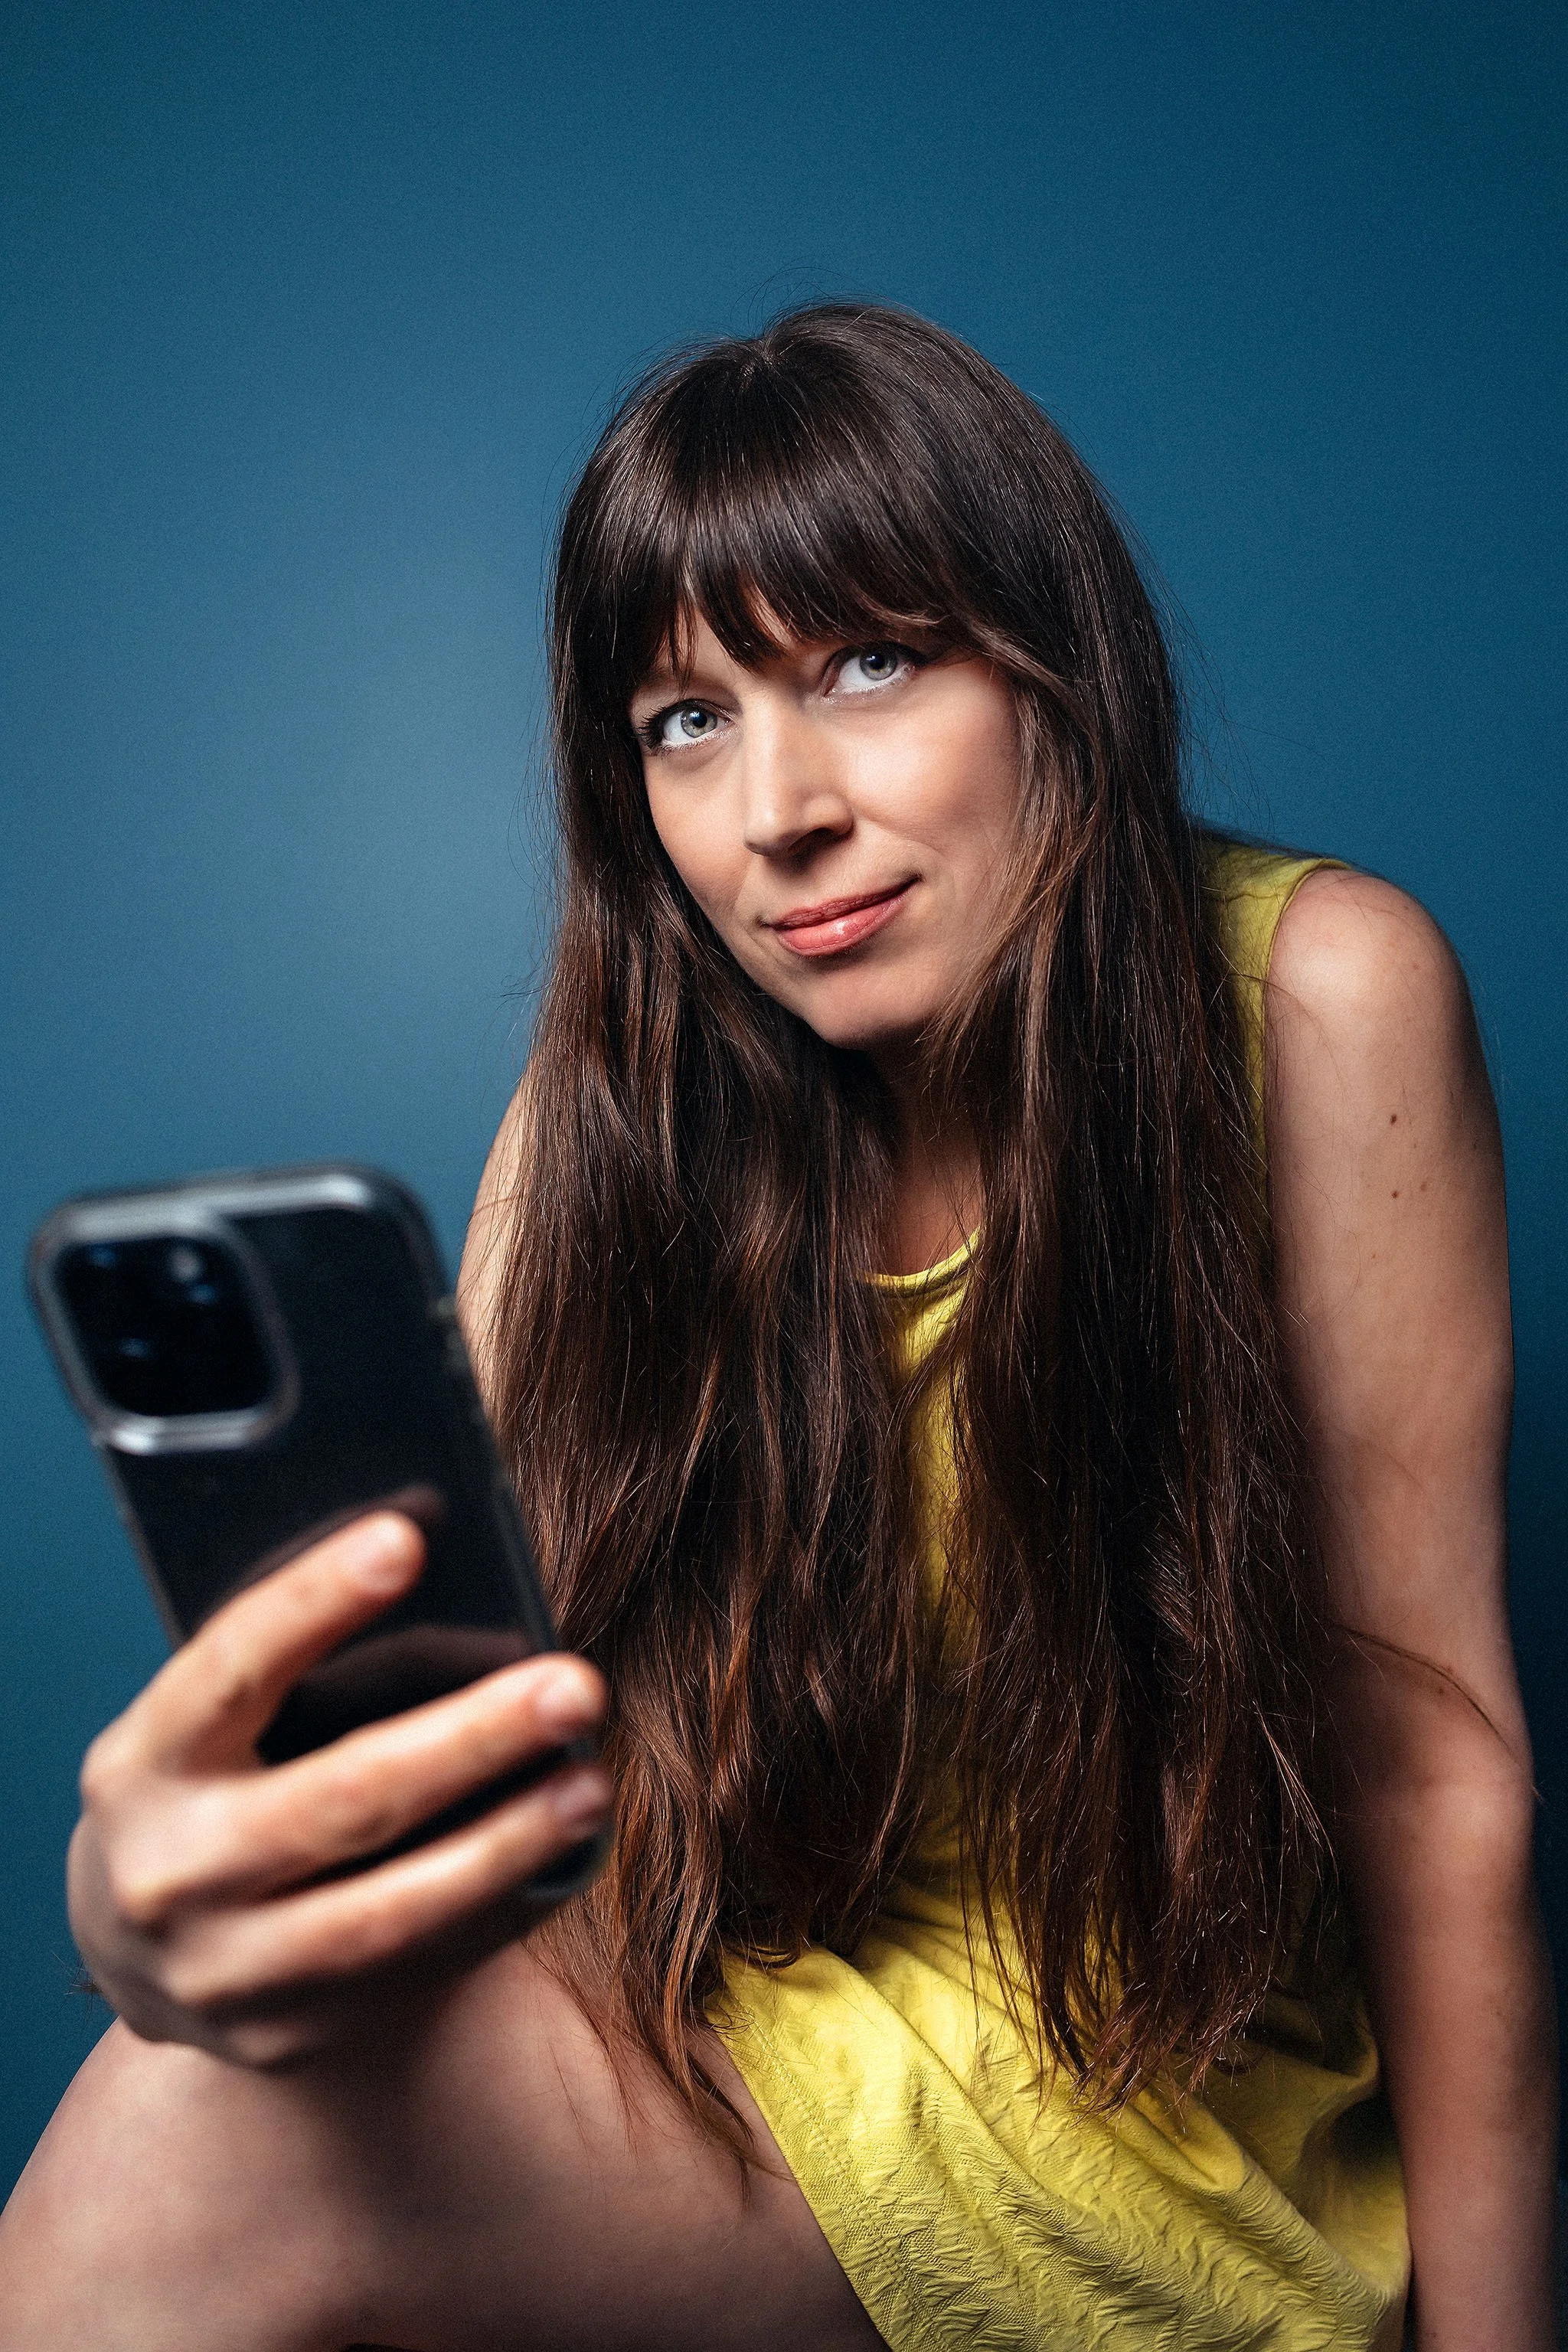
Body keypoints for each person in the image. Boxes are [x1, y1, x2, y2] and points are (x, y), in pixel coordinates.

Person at [0, 304, 1553, 2350]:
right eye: (686, 720)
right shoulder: (612, 1105)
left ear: (1054, 672)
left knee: (181, 2162)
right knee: (184, 2099)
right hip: (721, 1989)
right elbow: (478, 1751)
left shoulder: (1315, 995)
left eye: (871, 665)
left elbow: (1431, 1779)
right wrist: (156, 1919)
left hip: (1133, 2094)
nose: (777, 811)